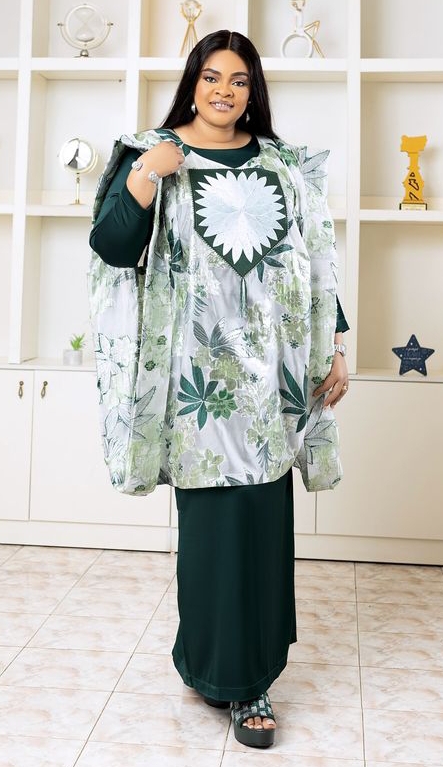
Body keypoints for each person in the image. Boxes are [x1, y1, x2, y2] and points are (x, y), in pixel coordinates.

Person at [89, 29, 349, 749]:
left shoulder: (280, 164)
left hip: (272, 379)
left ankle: (248, 672)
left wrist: (334, 347)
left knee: (263, 525)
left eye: (238, 79)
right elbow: (112, 246)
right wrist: (148, 175)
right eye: (211, 77)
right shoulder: (154, 152)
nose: (224, 91)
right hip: (196, 384)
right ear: (192, 83)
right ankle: (221, 672)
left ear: (252, 89)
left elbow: (314, 259)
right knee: (212, 531)